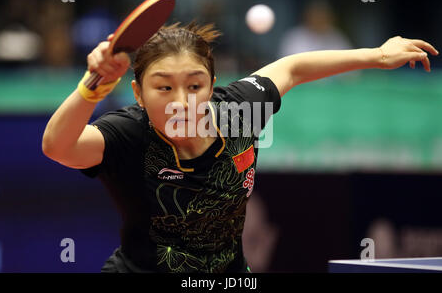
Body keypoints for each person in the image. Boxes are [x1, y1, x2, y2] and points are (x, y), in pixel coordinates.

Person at [42, 21, 438, 273]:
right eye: (163, 87)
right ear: (138, 94)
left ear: (212, 87)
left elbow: (291, 68)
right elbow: (59, 147)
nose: (182, 99)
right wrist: (92, 86)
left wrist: (378, 54)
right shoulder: (130, 133)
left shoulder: (239, 110)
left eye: (195, 85)